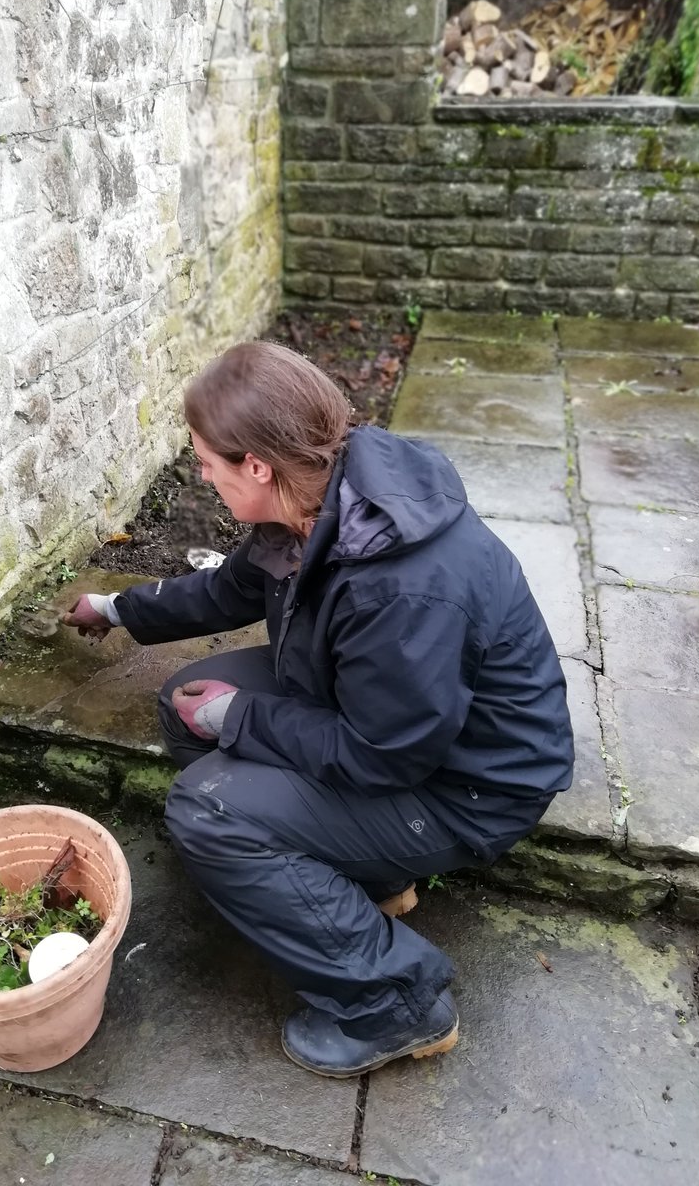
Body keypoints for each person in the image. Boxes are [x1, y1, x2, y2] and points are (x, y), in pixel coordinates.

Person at [63, 341, 574, 1078]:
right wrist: (117, 609)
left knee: (206, 810)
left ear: (258, 466)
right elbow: (228, 590)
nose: (201, 475)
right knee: (185, 706)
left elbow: (385, 755)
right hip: (384, 719)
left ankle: (396, 1004)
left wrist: (241, 720)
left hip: (465, 788)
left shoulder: (396, 586)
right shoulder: (313, 500)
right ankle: (356, 875)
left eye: (207, 461)